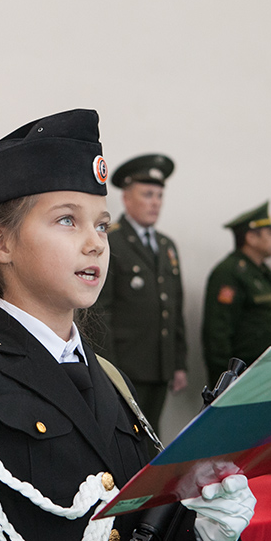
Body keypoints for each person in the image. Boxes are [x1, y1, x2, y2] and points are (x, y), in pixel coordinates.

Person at [0, 108, 255, 541]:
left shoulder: (107, 379)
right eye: (67, 220)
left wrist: (205, 536)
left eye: (102, 225)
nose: (95, 244)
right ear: (1, 243)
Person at [92, 154, 187, 434]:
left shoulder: (166, 245)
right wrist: (109, 369)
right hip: (127, 365)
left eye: (159, 195)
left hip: (160, 364)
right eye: (147, 194)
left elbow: (175, 308)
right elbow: (100, 310)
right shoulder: (112, 241)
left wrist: (178, 363)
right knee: (127, 435)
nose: (155, 202)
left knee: (152, 433)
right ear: (126, 198)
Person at [202, 201, 271, 376]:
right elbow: (217, 334)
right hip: (244, 377)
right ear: (251, 238)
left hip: (267, 373)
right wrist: (224, 381)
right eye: (269, 232)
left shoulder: (262, 272)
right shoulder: (229, 272)